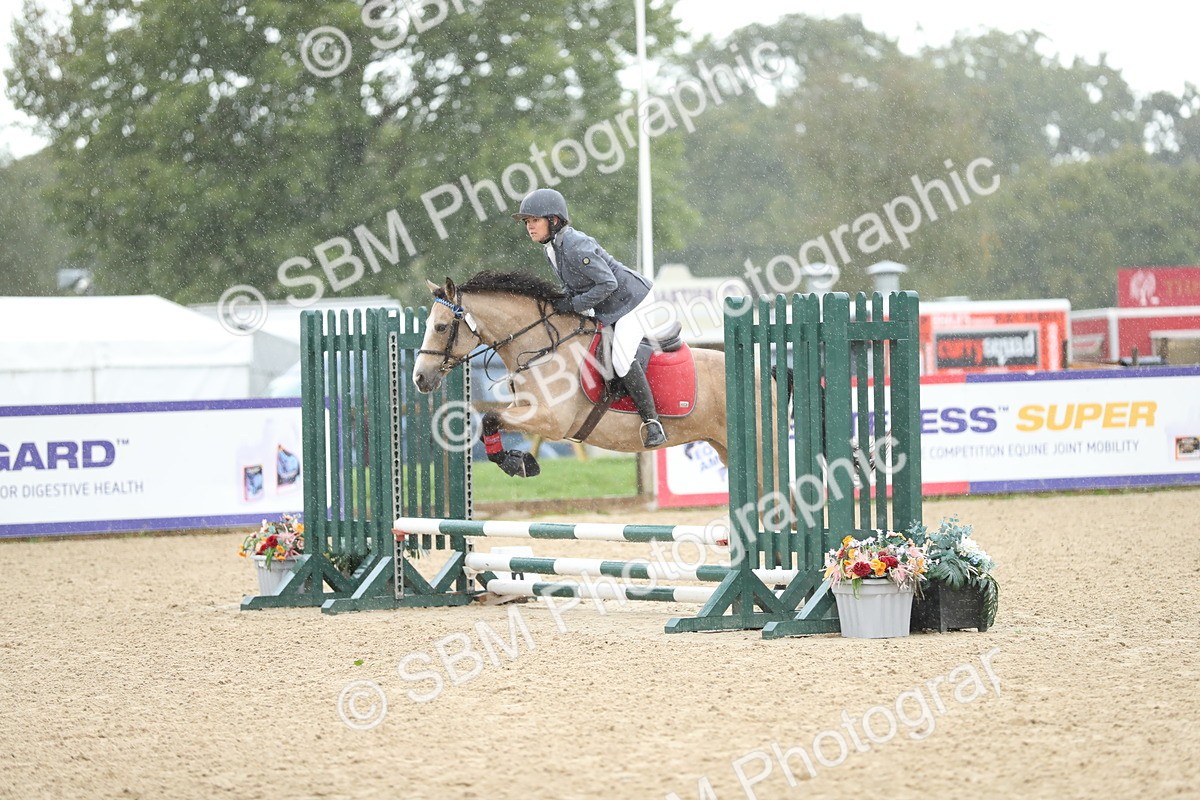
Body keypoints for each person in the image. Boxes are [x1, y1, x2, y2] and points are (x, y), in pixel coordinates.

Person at [512, 188, 667, 448]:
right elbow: (573, 286)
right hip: (610, 305)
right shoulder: (551, 249)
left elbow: (608, 283)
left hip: (633, 301)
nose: (529, 226)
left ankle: (652, 423)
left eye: (534, 220)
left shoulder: (575, 245)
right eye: (527, 221)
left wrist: (574, 304)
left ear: (553, 220)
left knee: (620, 360)